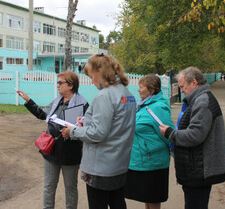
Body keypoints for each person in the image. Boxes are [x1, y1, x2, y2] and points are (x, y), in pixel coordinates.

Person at [61, 53, 137, 209]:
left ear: (99, 73)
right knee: (118, 203)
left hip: (101, 167)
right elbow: (116, 125)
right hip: (119, 164)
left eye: (91, 77)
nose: (92, 81)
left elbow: (98, 133)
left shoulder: (105, 96)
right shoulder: (126, 94)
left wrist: (72, 131)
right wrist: (86, 121)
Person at [17, 71, 89, 209]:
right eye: (58, 83)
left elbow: (86, 128)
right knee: (49, 186)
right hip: (51, 151)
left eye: (60, 83)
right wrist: (28, 100)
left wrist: (73, 131)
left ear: (71, 85)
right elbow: (42, 115)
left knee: (70, 189)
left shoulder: (83, 104)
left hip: (70, 153)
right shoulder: (57, 101)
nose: (57, 86)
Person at [159, 67, 225, 209]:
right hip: (196, 169)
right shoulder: (200, 99)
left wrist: (170, 133)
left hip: (199, 171)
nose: (181, 90)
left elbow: (195, 135)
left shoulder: (202, 102)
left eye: (183, 86)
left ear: (194, 83)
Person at [125, 74, 174, 209]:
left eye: (141, 87)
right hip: (143, 161)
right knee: (147, 197)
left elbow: (169, 134)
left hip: (153, 162)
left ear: (151, 90)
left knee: (153, 198)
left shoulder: (157, 108)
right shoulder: (143, 105)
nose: (138, 90)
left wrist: (151, 149)